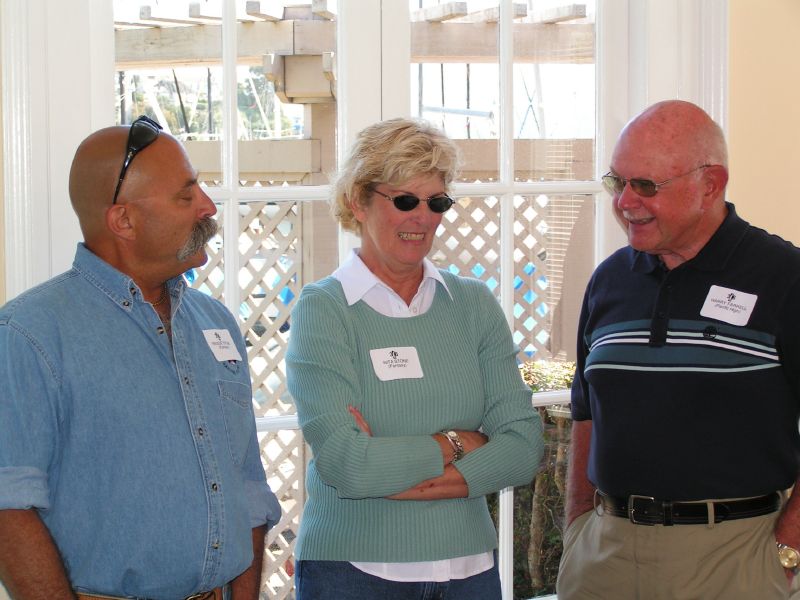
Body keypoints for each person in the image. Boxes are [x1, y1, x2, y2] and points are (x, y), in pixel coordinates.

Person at [0, 116, 281, 599]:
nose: (209, 208)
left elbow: (247, 487)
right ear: (123, 220)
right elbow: (8, 507)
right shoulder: (29, 334)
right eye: (185, 195)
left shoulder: (215, 322)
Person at [285, 117, 544, 599]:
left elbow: (524, 447)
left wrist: (394, 470)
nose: (423, 218)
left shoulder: (473, 304)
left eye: (437, 202)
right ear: (355, 202)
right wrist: (460, 441)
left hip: (471, 571)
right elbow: (348, 465)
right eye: (404, 200)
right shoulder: (324, 309)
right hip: (353, 573)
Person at [557, 99, 800, 599]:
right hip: (605, 557)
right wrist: (579, 524)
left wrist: (786, 552)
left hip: (737, 559)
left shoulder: (784, 278)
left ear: (710, 184)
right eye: (616, 182)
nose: (625, 202)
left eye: (645, 185)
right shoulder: (609, 281)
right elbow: (586, 414)